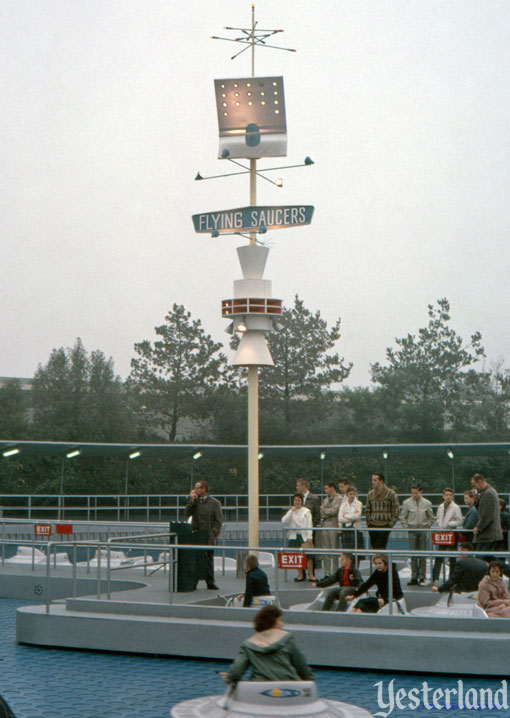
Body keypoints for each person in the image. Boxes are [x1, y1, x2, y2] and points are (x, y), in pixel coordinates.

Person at [221, 605, 314, 684]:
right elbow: (301, 665)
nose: (282, 624)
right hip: (289, 686)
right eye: (280, 620)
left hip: (259, 689)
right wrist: (309, 681)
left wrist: (229, 678)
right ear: (273, 621)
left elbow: (237, 671)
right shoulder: (287, 639)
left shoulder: (248, 645)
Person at [185, 480, 223, 590]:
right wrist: (192, 501)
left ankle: (210, 581)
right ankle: (194, 581)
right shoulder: (195, 502)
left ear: (204, 489)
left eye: (197, 488)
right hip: (196, 535)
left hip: (208, 536)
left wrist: (213, 533)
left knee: (208, 560)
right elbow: (187, 513)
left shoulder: (214, 503)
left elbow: (218, 520)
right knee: (195, 560)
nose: (195, 490)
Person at [400, 484, 434, 585]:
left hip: (422, 530)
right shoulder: (406, 503)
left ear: (421, 492)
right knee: (413, 555)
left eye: (416, 493)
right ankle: (414, 577)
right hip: (412, 530)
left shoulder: (427, 503)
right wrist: (407, 527)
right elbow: (403, 516)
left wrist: (427, 526)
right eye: (412, 493)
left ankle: (422, 576)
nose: (414, 495)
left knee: (422, 554)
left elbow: (431, 517)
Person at [430, 487, 463, 587]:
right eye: (446, 495)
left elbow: (460, 521)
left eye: (450, 495)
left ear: (452, 496)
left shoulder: (456, 507)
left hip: (452, 533)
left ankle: (451, 579)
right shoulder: (440, 506)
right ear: (443, 496)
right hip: (442, 533)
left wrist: (450, 524)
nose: (448, 497)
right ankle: (435, 578)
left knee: (452, 557)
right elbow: (438, 518)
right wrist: (440, 524)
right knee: (439, 556)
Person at [281, 493, 315, 581]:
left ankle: (311, 575)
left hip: (304, 536)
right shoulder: (291, 511)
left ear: (301, 501)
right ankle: (300, 575)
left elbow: (309, 524)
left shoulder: (306, 511)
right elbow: (284, 521)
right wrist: (291, 511)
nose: (297, 502)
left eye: (299, 500)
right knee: (297, 556)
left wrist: (309, 537)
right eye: (296, 500)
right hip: (294, 536)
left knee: (309, 556)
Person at [365, 473, 400, 550]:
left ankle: (383, 561)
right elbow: (367, 509)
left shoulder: (391, 493)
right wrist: (368, 522)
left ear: (381, 481)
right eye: (372, 480)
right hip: (373, 525)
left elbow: (396, 510)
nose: (373, 482)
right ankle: (377, 561)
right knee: (374, 547)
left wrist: (391, 523)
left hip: (385, 524)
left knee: (381, 547)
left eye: (375, 480)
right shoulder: (370, 494)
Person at [315, 482, 341, 577]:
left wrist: (326, 511)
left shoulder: (339, 498)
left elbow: (335, 511)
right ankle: (327, 572)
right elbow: (321, 511)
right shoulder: (325, 499)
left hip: (334, 525)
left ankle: (334, 572)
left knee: (334, 549)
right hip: (325, 525)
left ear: (332, 488)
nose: (325, 491)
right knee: (325, 550)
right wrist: (327, 511)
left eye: (326, 488)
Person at [471, 473, 502, 552]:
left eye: (474, 485)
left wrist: (478, 527)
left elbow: (487, 515)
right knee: (487, 558)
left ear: (480, 482)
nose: (474, 488)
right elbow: (482, 510)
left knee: (482, 559)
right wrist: (476, 500)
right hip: (488, 534)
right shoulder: (486, 493)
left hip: (488, 535)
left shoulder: (488, 493)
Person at [338, 485, 363, 552]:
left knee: (356, 551)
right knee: (346, 551)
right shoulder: (343, 505)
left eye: (354, 494)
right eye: (350, 494)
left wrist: (346, 516)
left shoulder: (358, 504)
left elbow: (357, 516)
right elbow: (340, 518)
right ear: (347, 495)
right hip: (345, 529)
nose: (352, 496)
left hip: (355, 529)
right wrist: (351, 516)